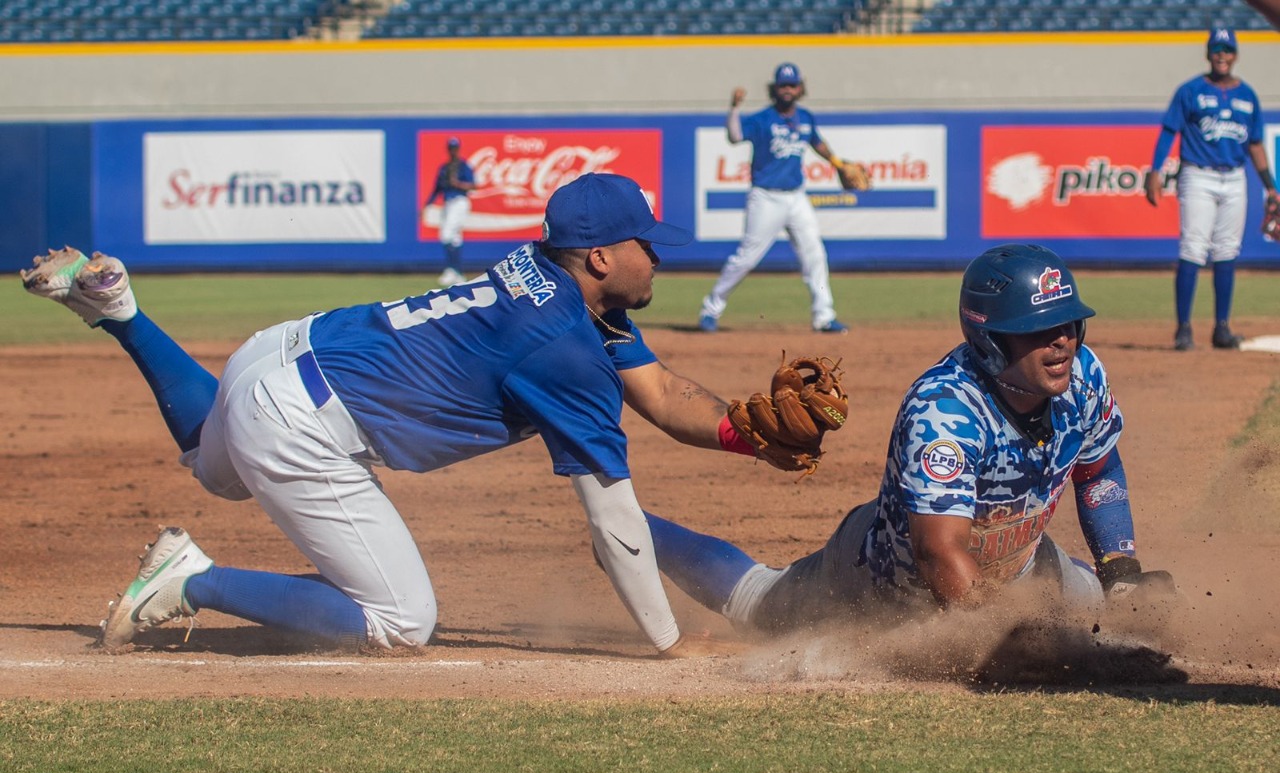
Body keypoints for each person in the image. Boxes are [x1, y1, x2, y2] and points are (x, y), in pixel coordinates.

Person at [21, 173, 778, 658]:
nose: (659, 254)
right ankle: (192, 582)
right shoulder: (565, 346)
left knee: (214, 469)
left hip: (284, 352)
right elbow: (614, 522)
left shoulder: (553, 278)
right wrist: (672, 643)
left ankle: (118, 310)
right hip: (302, 420)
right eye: (646, 242)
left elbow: (659, 393)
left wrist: (752, 439)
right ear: (603, 259)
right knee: (399, 624)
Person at [651, 245, 1175, 636]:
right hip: (881, 583)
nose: (1061, 340)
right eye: (1038, 329)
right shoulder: (945, 412)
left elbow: (1098, 470)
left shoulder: (1082, 375)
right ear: (991, 341)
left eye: (1068, 324)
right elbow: (938, 553)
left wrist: (1120, 573)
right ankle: (635, 531)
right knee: (757, 603)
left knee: (1136, 618)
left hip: (1019, 562)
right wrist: (1009, 636)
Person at [1143, 28, 1280, 352]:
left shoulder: (1247, 95)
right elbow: (1169, 131)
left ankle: (1221, 328)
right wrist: (1155, 170)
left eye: (1227, 49)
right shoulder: (1190, 91)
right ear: (1208, 54)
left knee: (1227, 250)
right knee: (1193, 247)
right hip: (1198, 175)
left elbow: (1256, 144)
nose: (1222, 54)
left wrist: (1271, 188)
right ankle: (1184, 329)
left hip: (1234, 177)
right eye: (1216, 49)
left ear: (1235, 55)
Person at [698, 62, 857, 335]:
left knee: (815, 255)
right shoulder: (762, 119)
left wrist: (838, 163)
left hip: (796, 197)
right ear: (775, 88)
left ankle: (824, 317)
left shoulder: (805, 117)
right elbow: (735, 136)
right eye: (783, 85)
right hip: (765, 197)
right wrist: (734, 108)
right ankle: (710, 309)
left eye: (792, 84)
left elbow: (816, 143)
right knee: (746, 258)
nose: (787, 89)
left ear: (799, 88)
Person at [424, 136, 475, 287]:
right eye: (451, 147)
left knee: (446, 235)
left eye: (455, 147)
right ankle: (457, 273)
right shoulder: (444, 168)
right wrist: (427, 205)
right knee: (455, 238)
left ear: (458, 148)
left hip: (460, 201)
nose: (453, 150)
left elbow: (473, 185)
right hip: (447, 203)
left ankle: (452, 270)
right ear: (448, 149)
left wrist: (458, 183)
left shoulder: (464, 166)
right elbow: (436, 189)